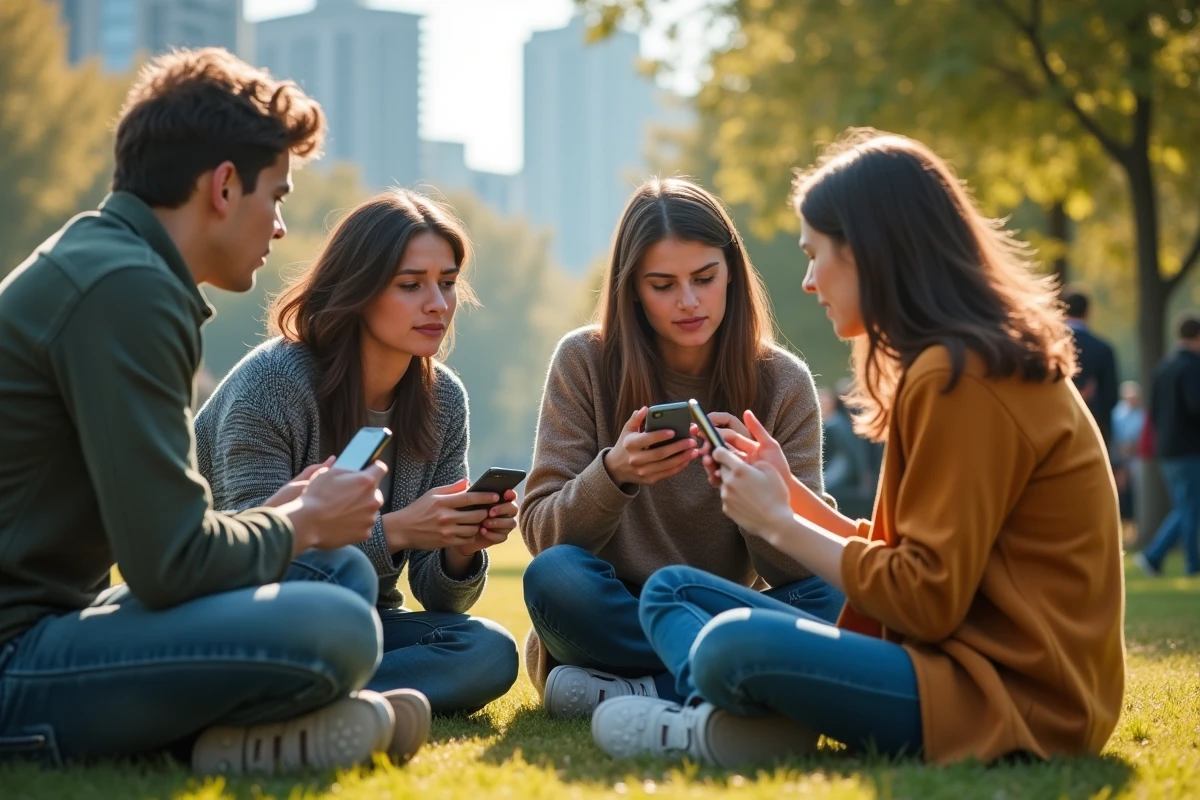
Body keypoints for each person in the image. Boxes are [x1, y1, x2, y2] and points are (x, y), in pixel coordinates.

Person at [591, 130, 1125, 768]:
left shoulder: (965, 377)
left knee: (731, 645)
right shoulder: (954, 363)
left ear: (872, 253)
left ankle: (696, 727)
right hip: (959, 668)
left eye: (817, 256)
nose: (811, 282)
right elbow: (913, 556)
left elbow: (924, 599)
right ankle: (742, 716)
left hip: (1009, 700)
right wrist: (791, 495)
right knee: (673, 592)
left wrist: (779, 523)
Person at [0, 48, 421, 774]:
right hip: (17, 656)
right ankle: (208, 740)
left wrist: (291, 515)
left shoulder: (116, 265)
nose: (281, 227)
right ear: (224, 186)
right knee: (339, 623)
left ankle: (223, 740)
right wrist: (302, 518)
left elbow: (166, 544)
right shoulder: (124, 290)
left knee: (339, 576)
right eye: (278, 196)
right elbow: (172, 564)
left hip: (63, 624)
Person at [520, 177, 844, 720]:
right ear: (632, 290)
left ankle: (642, 693)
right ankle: (743, 675)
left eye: (704, 278)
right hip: (616, 611)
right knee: (556, 578)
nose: (688, 301)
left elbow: (801, 571)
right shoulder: (583, 362)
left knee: (838, 596)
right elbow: (541, 534)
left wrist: (760, 500)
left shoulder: (783, 382)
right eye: (663, 284)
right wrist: (614, 474)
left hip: (728, 610)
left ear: (732, 276)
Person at [196, 189, 520, 713]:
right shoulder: (271, 383)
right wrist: (397, 530)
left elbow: (440, 600)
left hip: (368, 621)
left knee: (487, 650)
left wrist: (461, 546)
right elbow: (246, 551)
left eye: (448, 283)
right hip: (254, 616)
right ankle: (304, 693)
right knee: (321, 586)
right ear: (359, 290)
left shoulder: (444, 399)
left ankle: (310, 698)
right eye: (411, 285)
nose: (437, 304)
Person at [1135, 313, 1200, 577]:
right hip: (1190, 447)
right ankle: (1188, 562)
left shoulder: (1163, 367)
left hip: (1167, 448)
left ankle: (1154, 556)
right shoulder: (1192, 367)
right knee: (1191, 506)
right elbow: (1196, 405)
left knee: (1187, 505)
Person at [1064, 290, 1120, 446]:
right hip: (1094, 428)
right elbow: (1111, 396)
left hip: (1057, 428)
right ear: (1088, 312)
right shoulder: (1102, 348)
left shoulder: (1048, 348)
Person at [817, 386, 871, 518]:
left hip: (840, 475)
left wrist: (824, 481)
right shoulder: (837, 423)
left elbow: (844, 459)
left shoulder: (834, 425)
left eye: (825, 402)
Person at [1111, 380, 1146, 524]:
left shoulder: (1142, 414)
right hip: (1121, 457)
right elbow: (1115, 436)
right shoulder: (1117, 414)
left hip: (1138, 457)